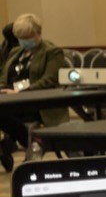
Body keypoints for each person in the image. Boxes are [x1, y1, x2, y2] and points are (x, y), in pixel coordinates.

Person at [0, 14, 68, 171]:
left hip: (37, 103)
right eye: (21, 37)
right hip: (11, 99)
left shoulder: (52, 52)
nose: (24, 41)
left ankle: (33, 142)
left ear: (38, 33)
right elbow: (4, 76)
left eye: (28, 37)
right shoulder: (15, 52)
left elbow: (49, 80)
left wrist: (19, 91)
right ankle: (28, 142)